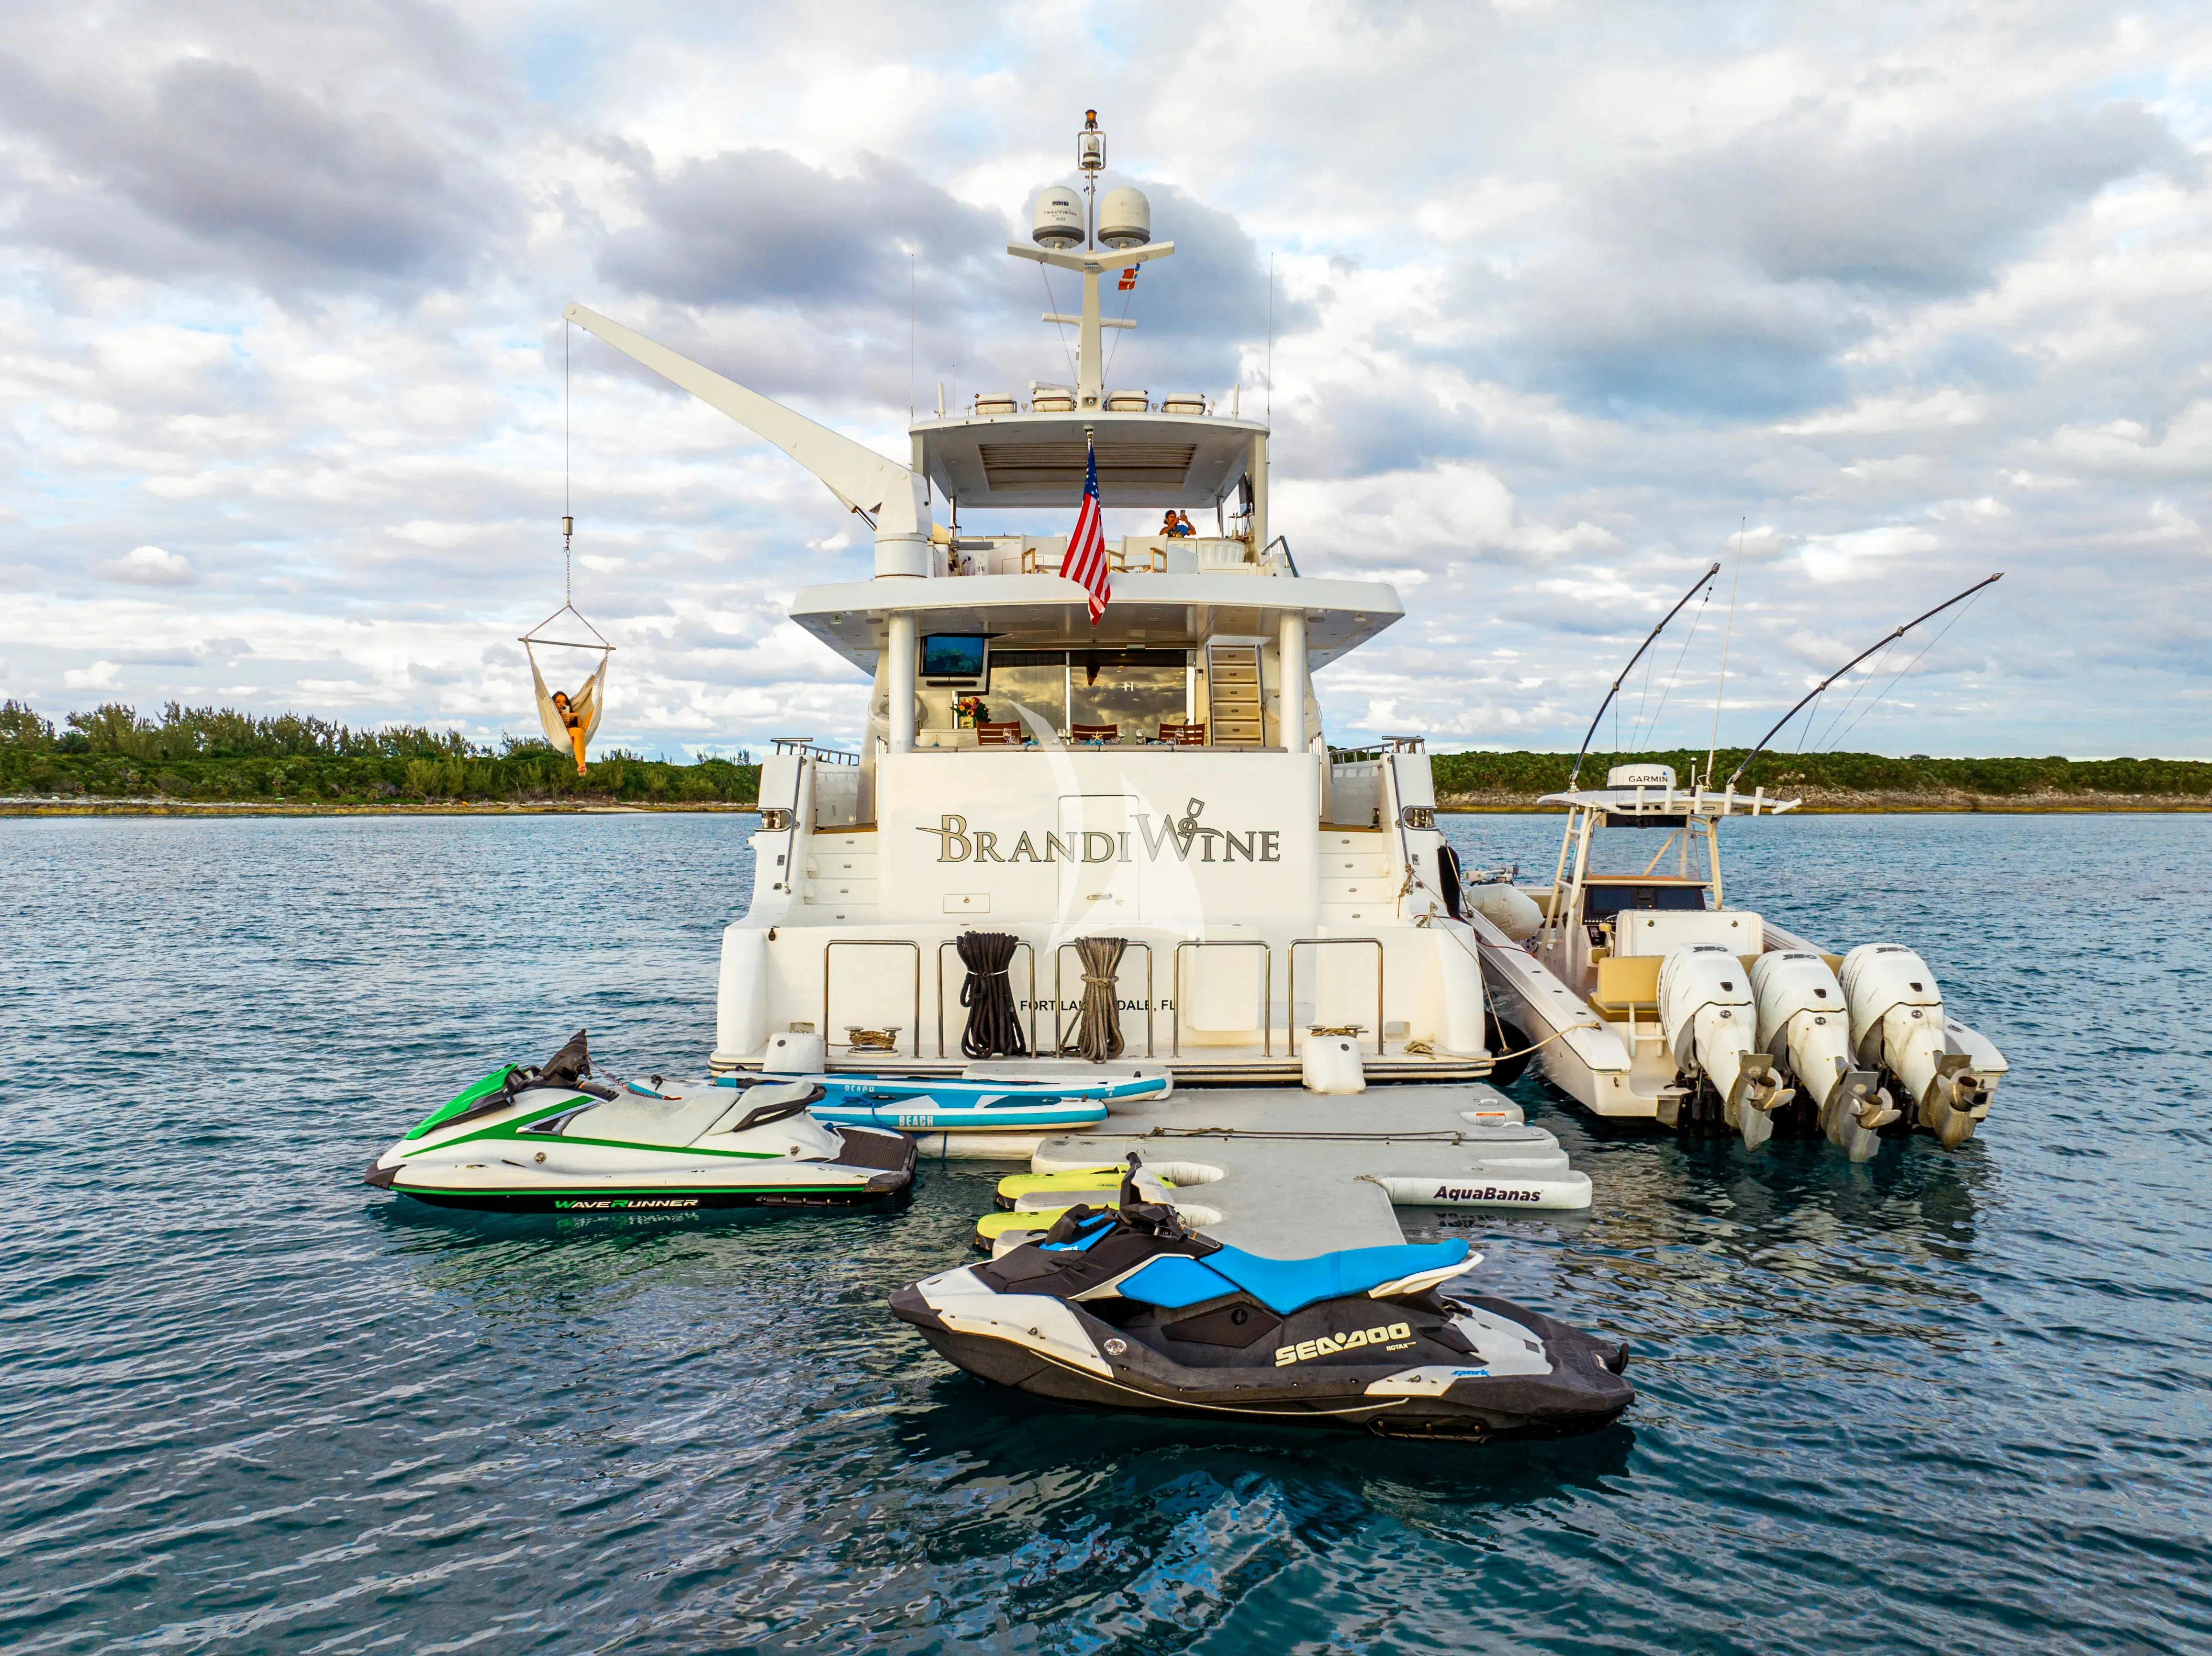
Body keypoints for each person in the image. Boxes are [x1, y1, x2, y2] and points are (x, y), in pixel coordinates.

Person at [550, 689, 588, 775]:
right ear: (554, 704)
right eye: (558, 702)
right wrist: (560, 718)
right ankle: (582, 766)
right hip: (561, 736)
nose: (562, 704)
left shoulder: (571, 715)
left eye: (564, 702)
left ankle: (582, 767)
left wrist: (577, 716)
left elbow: (583, 730)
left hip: (576, 736)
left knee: (579, 730)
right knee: (577, 731)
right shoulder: (552, 716)